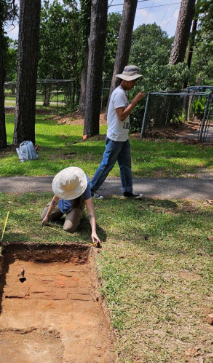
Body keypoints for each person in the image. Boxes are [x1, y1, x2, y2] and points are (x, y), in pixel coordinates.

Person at [90, 65, 146, 200]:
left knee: (125, 165)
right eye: (133, 81)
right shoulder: (119, 93)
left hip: (122, 137)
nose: (134, 84)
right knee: (106, 165)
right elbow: (121, 116)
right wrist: (134, 102)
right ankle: (90, 191)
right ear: (126, 80)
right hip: (115, 138)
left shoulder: (122, 93)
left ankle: (127, 191)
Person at [41, 166, 101, 245]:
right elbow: (55, 200)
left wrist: (93, 232)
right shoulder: (64, 180)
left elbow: (90, 210)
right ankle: (61, 213)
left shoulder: (84, 184)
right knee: (43, 216)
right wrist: (47, 216)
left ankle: (76, 214)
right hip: (62, 202)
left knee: (68, 228)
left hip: (75, 206)